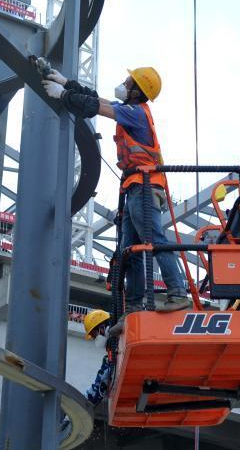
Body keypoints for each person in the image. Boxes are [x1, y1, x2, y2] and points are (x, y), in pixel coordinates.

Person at [42, 67, 191, 314]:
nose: (123, 83)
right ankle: (133, 308)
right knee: (130, 251)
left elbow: (97, 108)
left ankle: (177, 292)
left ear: (137, 90)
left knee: (153, 240)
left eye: (128, 81)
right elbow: (97, 100)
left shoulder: (135, 114)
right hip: (135, 188)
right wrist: (66, 83)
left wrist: (62, 95)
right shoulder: (131, 110)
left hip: (143, 187)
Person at [82, 309, 113, 406]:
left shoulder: (111, 357)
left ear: (102, 327)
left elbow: (98, 388)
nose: (95, 339)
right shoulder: (111, 351)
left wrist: (82, 403)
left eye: (94, 335)